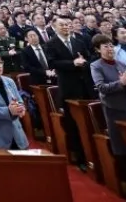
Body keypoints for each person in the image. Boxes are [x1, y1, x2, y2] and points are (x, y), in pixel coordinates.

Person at [90, 33, 126, 196]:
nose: (109, 49)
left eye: (111, 45)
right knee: (124, 151)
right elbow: (101, 88)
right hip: (116, 113)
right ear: (98, 50)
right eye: (105, 46)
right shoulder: (96, 66)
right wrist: (120, 84)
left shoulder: (122, 64)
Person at [46, 15, 94, 169]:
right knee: (73, 124)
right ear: (55, 27)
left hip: (84, 86)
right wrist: (72, 63)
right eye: (62, 25)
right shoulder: (51, 43)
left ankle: (91, 156)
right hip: (68, 87)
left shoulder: (78, 42)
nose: (66, 27)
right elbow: (52, 62)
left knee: (88, 122)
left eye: (67, 24)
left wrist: (84, 62)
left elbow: (88, 59)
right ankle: (79, 157)